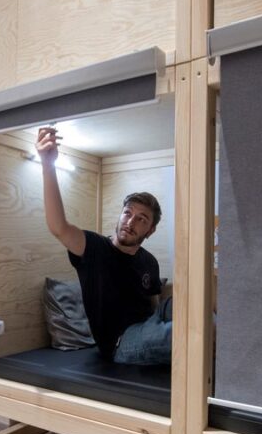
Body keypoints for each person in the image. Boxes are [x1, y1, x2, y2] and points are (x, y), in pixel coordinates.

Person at [36, 127, 172, 365]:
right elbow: (58, 226)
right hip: (121, 342)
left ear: (150, 231)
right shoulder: (95, 248)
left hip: (149, 325)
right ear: (119, 216)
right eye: (127, 213)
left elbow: (153, 302)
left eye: (141, 219)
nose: (130, 222)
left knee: (197, 309)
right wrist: (48, 164)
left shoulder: (149, 261)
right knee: (184, 335)